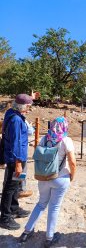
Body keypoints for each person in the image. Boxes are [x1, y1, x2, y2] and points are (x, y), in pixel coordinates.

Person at [19, 117, 76, 248]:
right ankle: (49, 237)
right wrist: (72, 175)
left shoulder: (45, 138)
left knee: (40, 204)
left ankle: (27, 231)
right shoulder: (66, 140)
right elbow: (72, 162)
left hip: (44, 177)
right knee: (54, 207)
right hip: (60, 178)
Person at [0, 94, 33, 230]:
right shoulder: (16, 120)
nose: (30, 109)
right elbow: (16, 143)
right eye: (29, 106)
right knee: (10, 186)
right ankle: (5, 217)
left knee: (16, 184)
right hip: (16, 158)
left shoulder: (11, 112)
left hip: (18, 157)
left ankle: (14, 208)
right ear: (22, 106)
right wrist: (18, 163)